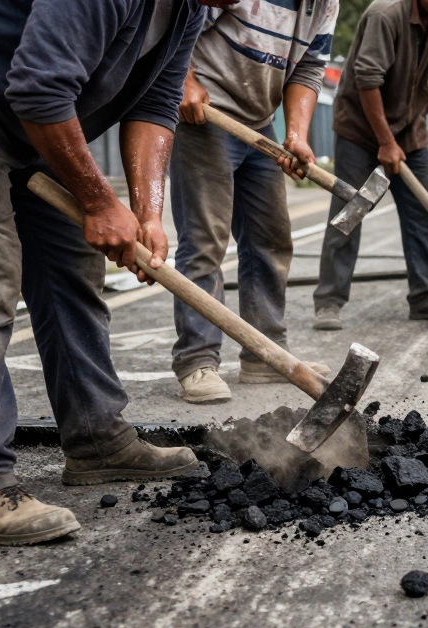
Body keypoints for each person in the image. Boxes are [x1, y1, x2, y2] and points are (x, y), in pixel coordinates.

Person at [0, 0, 234, 546]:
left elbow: (157, 104)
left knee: (71, 269)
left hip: (32, 119)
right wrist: (100, 201)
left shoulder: (189, 9)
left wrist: (147, 212)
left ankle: (97, 438)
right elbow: (38, 87)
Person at [169, 0, 339, 404]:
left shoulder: (325, 4)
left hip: (259, 121)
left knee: (271, 240)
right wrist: (185, 80)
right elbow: (178, 25)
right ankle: (197, 361)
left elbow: (310, 68)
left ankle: (265, 355)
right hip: (206, 116)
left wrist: (295, 133)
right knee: (204, 242)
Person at [312, 0, 428, 329]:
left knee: (423, 215)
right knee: (349, 214)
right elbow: (367, 79)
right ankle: (329, 300)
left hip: (409, 135)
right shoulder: (386, 14)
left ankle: (426, 296)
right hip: (361, 133)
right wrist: (384, 141)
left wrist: (408, 130)